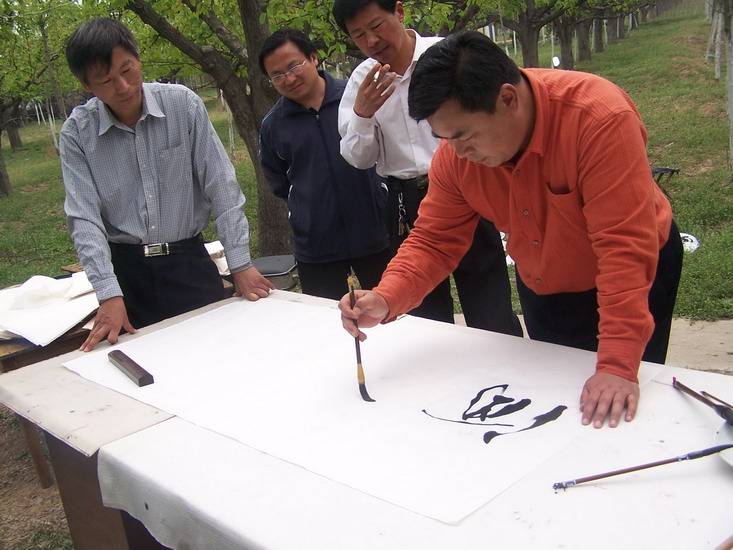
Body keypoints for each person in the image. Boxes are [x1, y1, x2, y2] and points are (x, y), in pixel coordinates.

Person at [339, 31, 683, 429]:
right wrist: (386, 297)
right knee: (558, 403)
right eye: (443, 138)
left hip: (634, 274)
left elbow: (623, 248)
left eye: (464, 135)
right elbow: (434, 240)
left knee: (620, 410)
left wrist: (618, 365)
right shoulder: (455, 156)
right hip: (545, 277)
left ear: (507, 99)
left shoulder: (598, 118)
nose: (456, 151)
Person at [60, 18, 273, 352]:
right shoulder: (77, 133)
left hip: (187, 262)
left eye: (127, 70)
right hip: (127, 273)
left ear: (138, 58)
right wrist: (108, 293)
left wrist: (240, 263)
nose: (123, 87)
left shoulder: (182, 105)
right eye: (106, 80)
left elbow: (221, 185)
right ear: (87, 85)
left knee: (217, 353)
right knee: (140, 364)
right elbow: (83, 217)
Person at [333, 0, 521, 335]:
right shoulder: (363, 81)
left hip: (467, 186)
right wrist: (362, 114)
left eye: (376, 26)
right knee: (423, 311)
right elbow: (358, 158)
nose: (371, 41)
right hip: (406, 201)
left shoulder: (450, 57)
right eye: (358, 35)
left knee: (488, 298)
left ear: (399, 11)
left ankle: (503, 360)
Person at [257, 29, 391, 300]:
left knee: (394, 311)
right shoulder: (273, 125)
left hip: (376, 232)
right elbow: (279, 182)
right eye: (277, 75)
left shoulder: (355, 99)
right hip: (317, 246)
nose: (289, 79)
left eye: (293, 66)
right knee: (327, 318)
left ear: (314, 58)